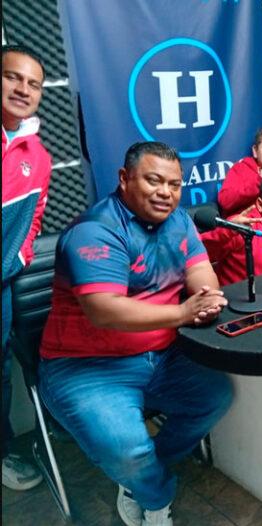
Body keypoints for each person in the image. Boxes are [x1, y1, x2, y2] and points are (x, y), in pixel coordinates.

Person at [37, 142, 233, 526]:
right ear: (125, 179)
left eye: (174, 185)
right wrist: (181, 312)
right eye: (154, 180)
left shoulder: (179, 220)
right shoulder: (95, 231)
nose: (166, 192)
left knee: (216, 397)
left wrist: (206, 296)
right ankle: (155, 495)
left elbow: (199, 269)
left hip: (161, 354)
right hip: (85, 367)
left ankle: (138, 480)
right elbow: (104, 310)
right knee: (127, 450)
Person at [2, 43, 51, 492]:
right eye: (12, 77)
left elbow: (34, 219)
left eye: (33, 84)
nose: (23, 89)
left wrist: (19, 257)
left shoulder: (36, 155)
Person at [217, 124, 262, 217]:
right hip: (249, 225)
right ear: (255, 151)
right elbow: (225, 201)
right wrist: (258, 181)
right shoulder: (241, 170)